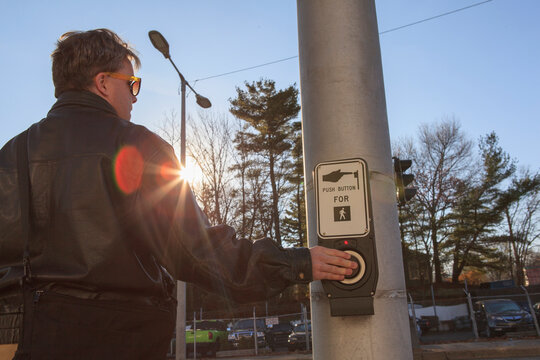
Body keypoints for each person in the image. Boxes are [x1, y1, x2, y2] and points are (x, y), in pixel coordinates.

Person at [0, 29, 356, 359]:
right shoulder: (137, 147)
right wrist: (294, 263)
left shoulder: (11, 154)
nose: (135, 97)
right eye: (132, 83)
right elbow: (197, 250)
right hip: (114, 339)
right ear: (103, 83)